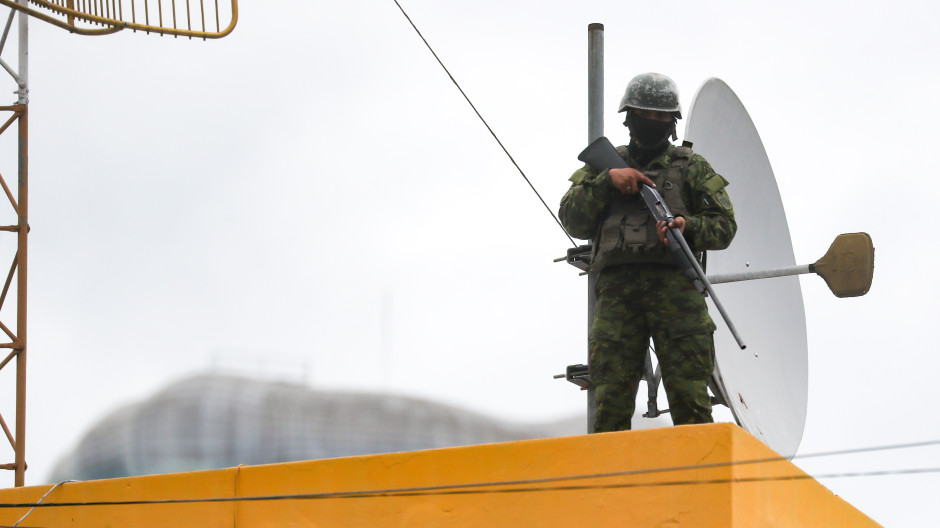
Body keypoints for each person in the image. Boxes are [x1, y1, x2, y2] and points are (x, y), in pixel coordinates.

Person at [558, 72, 737, 432]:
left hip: (677, 294)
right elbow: (572, 218)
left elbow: (724, 225)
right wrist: (605, 182)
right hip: (617, 296)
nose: (652, 123)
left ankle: (698, 484)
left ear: (673, 123)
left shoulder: (692, 167)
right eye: (645, 114)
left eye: (661, 117)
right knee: (610, 404)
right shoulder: (602, 166)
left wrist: (688, 226)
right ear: (628, 117)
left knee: (691, 404)